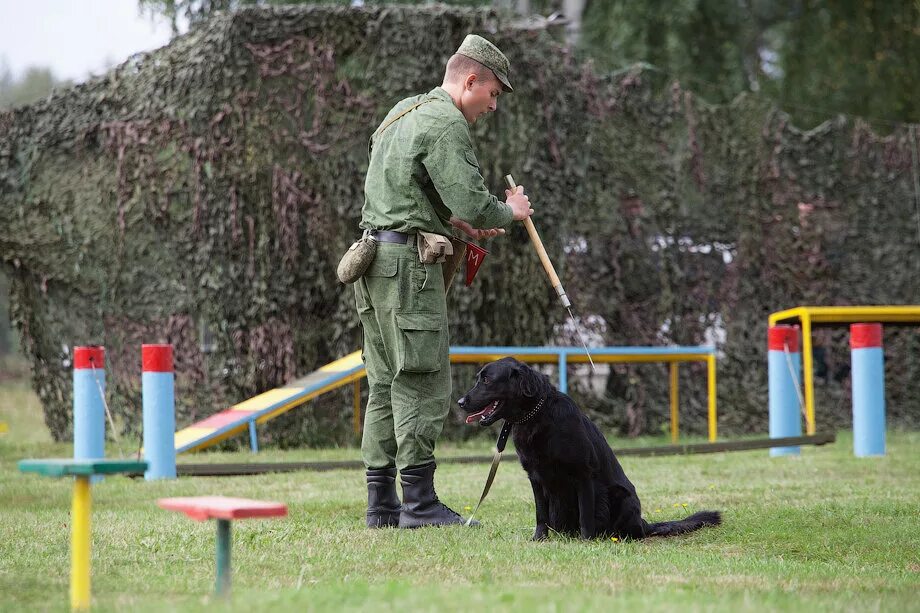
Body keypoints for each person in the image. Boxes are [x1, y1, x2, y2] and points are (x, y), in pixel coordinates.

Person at [357, 34, 533, 528]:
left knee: (383, 382)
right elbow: (476, 201)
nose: (492, 106)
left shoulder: (402, 113)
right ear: (469, 80)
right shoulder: (445, 123)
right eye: (493, 93)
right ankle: (420, 503)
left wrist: (448, 222)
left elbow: (402, 188)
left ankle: (382, 505)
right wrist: (510, 211)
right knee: (422, 377)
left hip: (373, 262)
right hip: (409, 270)